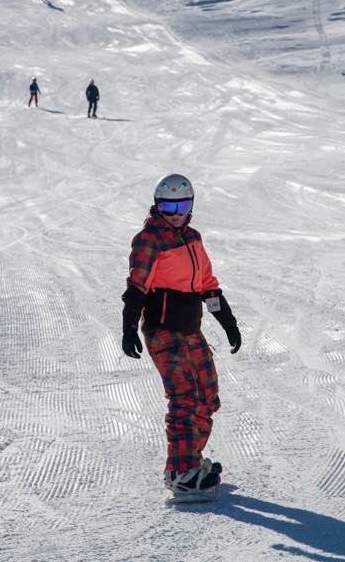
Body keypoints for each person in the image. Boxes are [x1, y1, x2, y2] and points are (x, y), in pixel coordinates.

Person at [121, 173, 242, 498]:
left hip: (190, 328)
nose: (175, 212)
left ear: (191, 205)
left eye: (182, 204)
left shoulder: (192, 237)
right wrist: (129, 326)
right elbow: (137, 286)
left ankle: (191, 461)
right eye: (168, 205)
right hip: (163, 329)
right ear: (158, 205)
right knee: (185, 396)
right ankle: (181, 472)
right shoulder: (149, 239)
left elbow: (207, 284)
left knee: (207, 395)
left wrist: (227, 322)